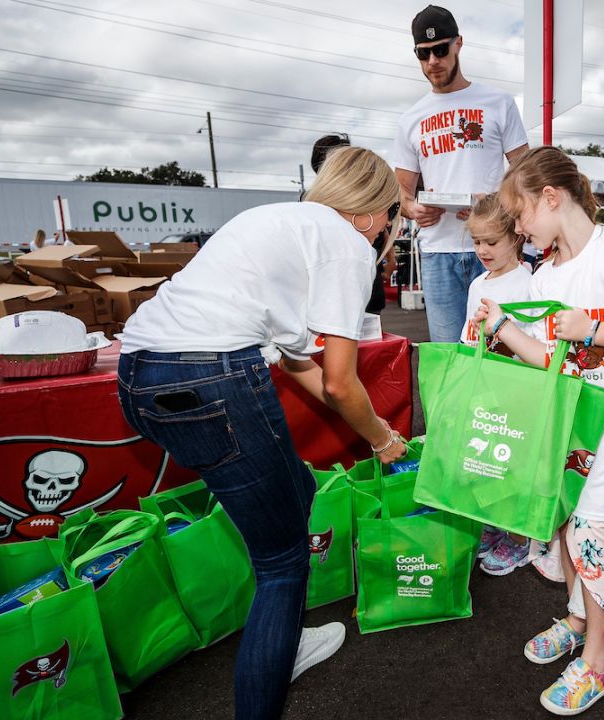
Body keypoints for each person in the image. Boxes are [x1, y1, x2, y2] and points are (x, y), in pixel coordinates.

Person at [115, 147, 408, 720]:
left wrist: (363, 420)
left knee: (296, 490)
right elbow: (344, 385)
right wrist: (383, 439)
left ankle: (283, 639)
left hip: (136, 379)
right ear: (376, 213)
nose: (391, 232)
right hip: (213, 378)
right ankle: (272, 671)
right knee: (283, 562)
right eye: (392, 219)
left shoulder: (281, 222)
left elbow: (303, 366)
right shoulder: (350, 246)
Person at [473, 147, 604, 715]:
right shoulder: (548, 271)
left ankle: (599, 659)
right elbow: (552, 358)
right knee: (568, 527)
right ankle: (576, 619)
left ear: (551, 197)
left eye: (520, 214)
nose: (518, 228)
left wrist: (593, 326)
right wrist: (499, 328)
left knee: (595, 535)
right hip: (572, 430)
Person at [392, 4, 529, 342]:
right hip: (438, 251)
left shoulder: (498, 102)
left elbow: (527, 174)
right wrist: (414, 209)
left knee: (506, 350)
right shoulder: (411, 118)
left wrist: (493, 203)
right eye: (423, 54)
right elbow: (401, 194)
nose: (433, 62)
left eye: (440, 50)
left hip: (495, 246)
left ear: (458, 44)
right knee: (450, 355)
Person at [457, 194, 534, 575]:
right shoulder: (476, 284)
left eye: (491, 242)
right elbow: (469, 336)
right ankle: (492, 525)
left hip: (515, 392)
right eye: (476, 242)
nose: (482, 250)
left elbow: (532, 344)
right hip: (481, 387)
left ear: (515, 238)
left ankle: (519, 536)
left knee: (514, 464)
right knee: (484, 461)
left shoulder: (528, 283)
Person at [309, 132, 397, 314]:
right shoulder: (313, 208)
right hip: (335, 293)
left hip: (369, 290)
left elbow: (384, 234)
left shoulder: (369, 199)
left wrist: (390, 260)